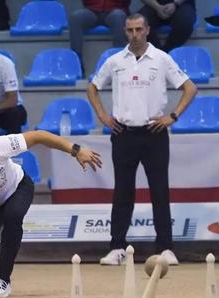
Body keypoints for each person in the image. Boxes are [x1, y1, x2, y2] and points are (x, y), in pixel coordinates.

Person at [87, 13, 197, 266]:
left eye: (139, 29)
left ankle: (166, 247)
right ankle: (117, 247)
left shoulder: (162, 59)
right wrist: (103, 115)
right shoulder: (115, 61)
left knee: (160, 190)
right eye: (130, 30)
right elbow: (92, 87)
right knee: (123, 192)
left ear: (147, 29)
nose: (134, 34)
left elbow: (190, 88)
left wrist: (173, 116)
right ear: (125, 32)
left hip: (154, 133)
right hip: (123, 133)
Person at [0, 126, 102, 298]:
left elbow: (38, 136)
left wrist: (76, 150)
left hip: (17, 188)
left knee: (13, 217)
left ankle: (2, 279)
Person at [69, 1, 130, 73]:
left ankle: (120, 63)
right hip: (92, 11)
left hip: (115, 11)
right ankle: (77, 63)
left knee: (119, 16)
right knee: (76, 17)